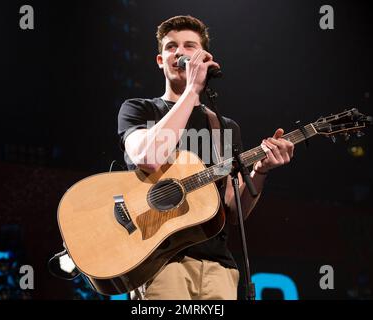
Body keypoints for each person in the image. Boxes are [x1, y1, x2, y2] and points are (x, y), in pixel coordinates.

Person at [117, 15, 294, 300]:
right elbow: (148, 157)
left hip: (218, 267)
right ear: (161, 60)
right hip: (159, 263)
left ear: (204, 57)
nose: (179, 52)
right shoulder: (139, 110)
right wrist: (191, 91)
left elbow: (234, 211)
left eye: (189, 46)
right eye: (171, 47)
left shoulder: (223, 127)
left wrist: (260, 171)